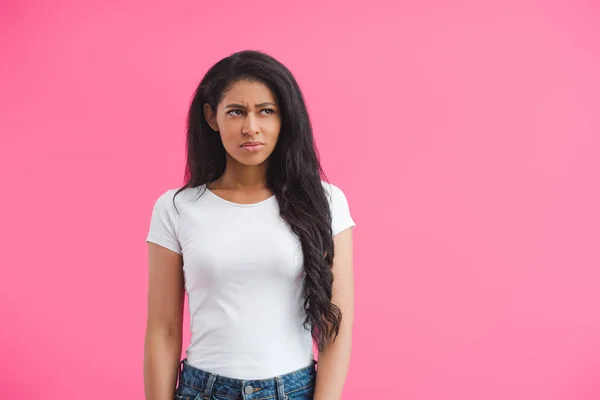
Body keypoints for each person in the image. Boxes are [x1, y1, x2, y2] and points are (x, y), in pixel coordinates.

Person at [144, 50, 356, 400]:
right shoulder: (176, 208)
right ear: (212, 118)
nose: (250, 127)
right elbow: (163, 330)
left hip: (294, 390)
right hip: (203, 390)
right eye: (236, 112)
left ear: (284, 118)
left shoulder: (327, 202)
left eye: (266, 111)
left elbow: (337, 325)